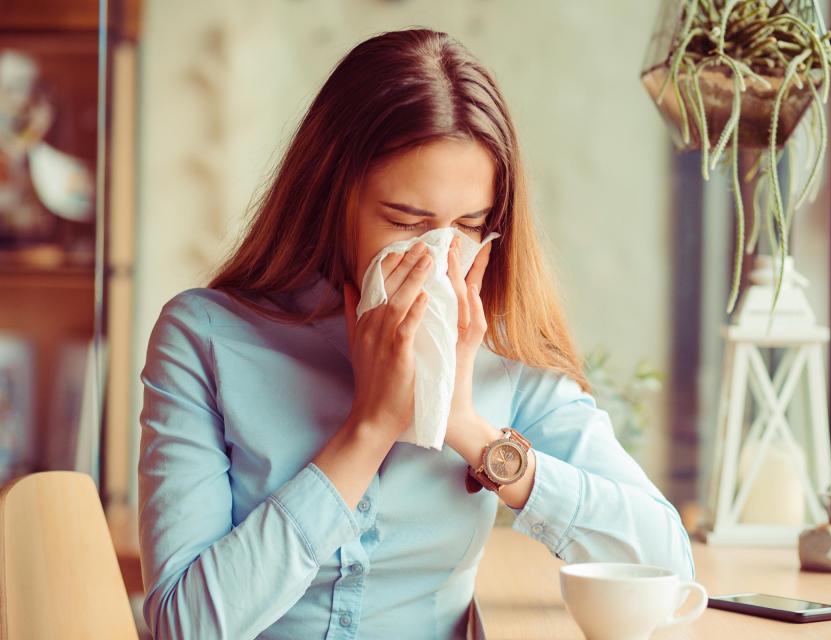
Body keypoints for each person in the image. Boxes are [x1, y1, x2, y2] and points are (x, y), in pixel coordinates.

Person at [137, 27, 694, 640]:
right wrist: (368, 429)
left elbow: (667, 563)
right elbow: (183, 627)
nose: (436, 256)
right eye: (406, 222)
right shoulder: (206, 338)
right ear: (331, 198)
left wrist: (465, 424)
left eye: (468, 225)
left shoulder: (504, 356)